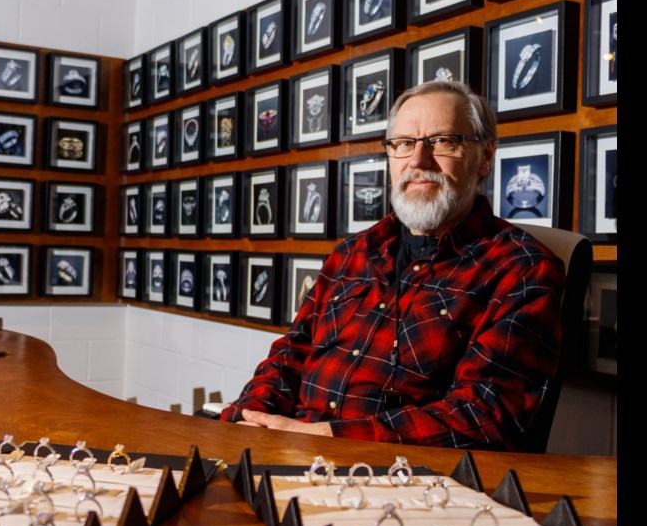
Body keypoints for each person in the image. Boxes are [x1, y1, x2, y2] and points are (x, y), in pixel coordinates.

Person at [221, 81, 566, 450]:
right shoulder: (352, 252)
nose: (417, 161)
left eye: (443, 141)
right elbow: (292, 354)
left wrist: (324, 437)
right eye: (403, 144)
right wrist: (250, 419)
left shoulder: (522, 268)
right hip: (292, 453)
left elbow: (486, 416)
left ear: (484, 157)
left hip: (405, 481)